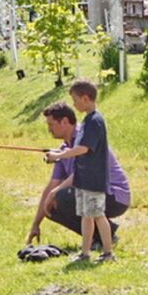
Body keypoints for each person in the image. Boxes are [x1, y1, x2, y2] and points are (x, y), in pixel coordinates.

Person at [29, 102, 130, 251]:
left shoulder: (86, 139)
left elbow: (83, 172)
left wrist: (54, 193)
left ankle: (105, 240)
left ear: (64, 121)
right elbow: (52, 185)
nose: (49, 130)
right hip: (91, 192)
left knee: (60, 197)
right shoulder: (63, 150)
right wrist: (36, 224)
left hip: (114, 196)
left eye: (51, 125)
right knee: (49, 207)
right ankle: (100, 237)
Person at [44, 80, 116, 264]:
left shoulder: (94, 121)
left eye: (75, 100)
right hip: (84, 180)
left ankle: (108, 253)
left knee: (98, 216)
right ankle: (85, 252)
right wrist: (58, 154)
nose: (74, 104)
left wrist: (60, 155)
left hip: (94, 179)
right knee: (86, 216)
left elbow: (83, 148)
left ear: (85, 98)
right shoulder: (87, 121)